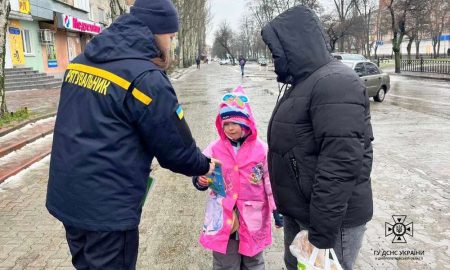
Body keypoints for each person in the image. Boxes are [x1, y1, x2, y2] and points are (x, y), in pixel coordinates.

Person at [46, 0, 216, 269]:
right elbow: (175, 148)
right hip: (107, 210)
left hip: (69, 198)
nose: (170, 44)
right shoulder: (146, 78)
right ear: (156, 31)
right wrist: (204, 165)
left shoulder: (81, 63)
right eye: (171, 37)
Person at [261, 6, 374, 270]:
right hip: (302, 213)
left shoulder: (335, 83)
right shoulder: (305, 82)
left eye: (276, 47)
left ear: (294, 43)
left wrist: (321, 235)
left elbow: (340, 163)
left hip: (329, 223)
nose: (273, 54)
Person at [193, 86, 283, 270]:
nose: (230, 128)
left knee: (253, 261)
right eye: (225, 123)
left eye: (235, 122)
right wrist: (200, 179)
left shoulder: (261, 150)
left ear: (247, 123)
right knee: (225, 262)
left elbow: (270, 182)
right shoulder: (215, 148)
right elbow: (201, 168)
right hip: (224, 215)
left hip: (252, 217)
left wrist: (277, 209)